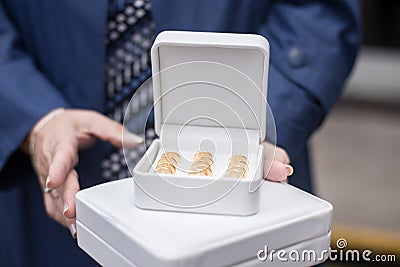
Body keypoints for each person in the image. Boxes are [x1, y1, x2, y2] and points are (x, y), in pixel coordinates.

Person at [0, 0, 361, 266]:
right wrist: (36, 117)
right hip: (53, 210)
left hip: (245, 213)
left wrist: (256, 122)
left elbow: (320, 14)